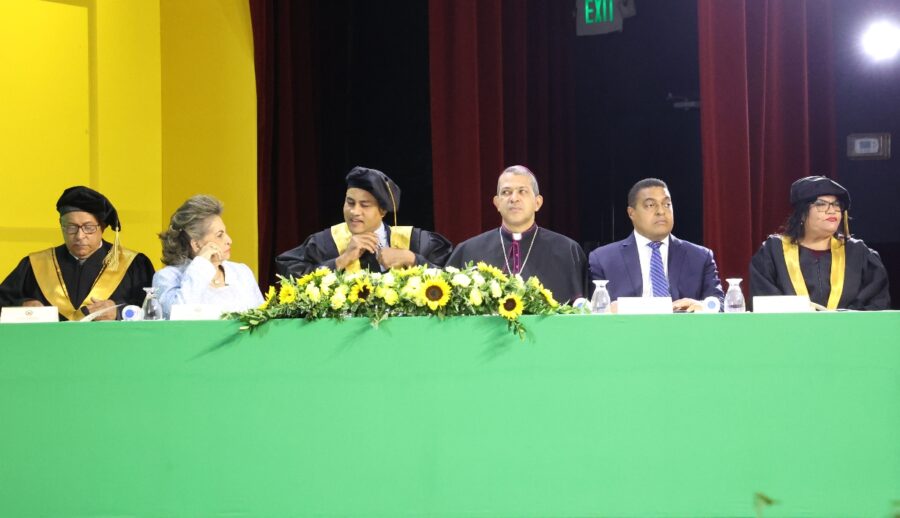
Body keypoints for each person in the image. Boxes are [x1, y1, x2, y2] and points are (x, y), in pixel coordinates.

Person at [0, 185, 155, 321]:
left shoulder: (133, 264)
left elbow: (154, 312)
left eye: (88, 227)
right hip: (48, 349)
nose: (80, 236)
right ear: (61, 225)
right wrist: (24, 305)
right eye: (71, 227)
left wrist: (120, 312)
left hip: (112, 348)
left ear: (102, 227)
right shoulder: (36, 265)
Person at [446, 165, 589, 304]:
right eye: (506, 192)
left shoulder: (567, 251)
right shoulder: (469, 250)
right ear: (497, 203)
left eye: (522, 191)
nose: (514, 198)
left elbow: (586, 312)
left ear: (537, 203)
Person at [276, 166, 453, 276]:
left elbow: (454, 277)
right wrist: (341, 260)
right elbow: (288, 269)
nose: (355, 212)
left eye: (365, 205)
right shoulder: (326, 243)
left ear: (382, 210)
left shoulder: (415, 241)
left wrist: (412, 259)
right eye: (350, 202)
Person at [750, 175, 890, 310]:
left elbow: (876, 304)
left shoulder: (858, 253)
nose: (832, 210)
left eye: (836, 205)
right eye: (821, 204)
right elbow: (764, 304)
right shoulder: (773, 252)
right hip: (789, 332)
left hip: (848, 332)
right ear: (802, 213)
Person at [588, 178, 724, 311]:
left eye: (667, 204)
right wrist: (608, 310)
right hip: (626, 331)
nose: (661, 211)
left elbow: (720, 304)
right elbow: (589, 311)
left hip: (683, 331)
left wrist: (703, 306)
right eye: (650, 205)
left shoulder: (700, 257)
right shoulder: (603, 259)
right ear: (631, 213)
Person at [153, 195, 264, 319]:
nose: (229, 240)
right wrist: (201, 264)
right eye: (219, 235)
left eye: (225, 233)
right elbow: (178, 318)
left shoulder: (241, 272)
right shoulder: (167, 278)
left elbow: (262, 320)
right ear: (196, 244)